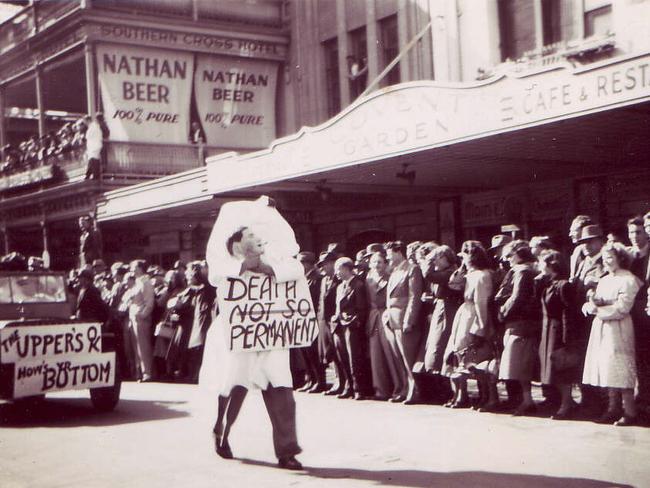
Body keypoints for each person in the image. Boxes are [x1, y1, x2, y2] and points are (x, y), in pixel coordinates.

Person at [200, 196, 304, 470]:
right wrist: (244, 265)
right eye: (251, 231)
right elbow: (216, 275)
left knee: (281, 387)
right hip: (239, 333)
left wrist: (269, 268)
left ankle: (287, 450)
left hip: (272, 331)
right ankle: (221, 432)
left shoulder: (276, 254)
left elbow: (296, 268)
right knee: (234, 385)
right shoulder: (227, 257)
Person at [582, 242, 641, 426]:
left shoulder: (628, 279)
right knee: (607, 367)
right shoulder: (605, 279)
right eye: (605, 258)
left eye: (610, 258)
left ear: (620, 258)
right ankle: (612, 408)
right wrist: (590, 305)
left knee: (621, 366)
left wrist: (599, 310)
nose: (606, 262)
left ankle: (629, 411)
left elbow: (622, 308)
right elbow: (596, 301)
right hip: (603, 328)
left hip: (619, 328)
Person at [441, 241, 494, 409]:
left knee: (477, 358)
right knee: (463, 356)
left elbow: (481, 303)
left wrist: (480, 327)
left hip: (473, 317)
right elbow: (453, 284)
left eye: (464, 256)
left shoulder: (481, 276)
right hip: (464, 315)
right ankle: (474, 396)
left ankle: (488, 397)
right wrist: (462, 267)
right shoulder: (470, 274)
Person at [496, 241, 541, 416]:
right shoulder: (527, 269)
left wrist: (503, 312)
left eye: (509, 256)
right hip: (523, 321)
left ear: (519, 254)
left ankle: (527, 401)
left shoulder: (522, 271)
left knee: (520, 363)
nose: (507, 260)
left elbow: (517, 297)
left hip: (520, 322)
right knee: (521, 362)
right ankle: (526, 400)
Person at [537, 250, 581, 420]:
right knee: (551, 370)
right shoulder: (548, 283)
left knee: (561, 369)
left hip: (557, 331)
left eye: (542, 262)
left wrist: (566, 339)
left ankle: (566, 403)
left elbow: (567, 313)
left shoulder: (563, 285)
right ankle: (564, 401)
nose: (539, 266)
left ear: (551, 265)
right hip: (547, 330)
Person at [383, 241, 423, 404]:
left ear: (399, 252)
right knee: (398, 357)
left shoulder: (412, 269)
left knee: (408, 358)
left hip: (403, 319)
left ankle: (415, 391)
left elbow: (414, 296)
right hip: (392, 319)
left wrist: (409, 320)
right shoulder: (394, 271)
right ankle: (405, 388)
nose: (387, 257)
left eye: (389, 253)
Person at [331, 256, 371, 400]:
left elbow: (361, 309)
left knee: (355, 358)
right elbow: (338, 307)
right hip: (339, 325)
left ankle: (358, 388)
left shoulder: (358, 285)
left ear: (347, 269)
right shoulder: (340, 286)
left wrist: (354, 323)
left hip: (351, 326)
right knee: (343, 358)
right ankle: (349, 386)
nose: (337, 272)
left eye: (339, 269)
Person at [366, 250, 402, 400]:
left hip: (386, 316)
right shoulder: (369, 278)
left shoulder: (390, 277)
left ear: (386, 263)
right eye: (374, 262)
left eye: (380, 262)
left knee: (391, 353)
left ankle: (398, 388)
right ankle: (380, 390)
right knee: (376, 355)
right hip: (373, 317)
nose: (377, 265)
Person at [627, 215, 650, 415]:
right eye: (632, 232)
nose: (635, 236)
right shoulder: (626, 256)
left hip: (646, 311)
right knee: (634, 356)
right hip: (630, 312)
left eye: (639, 232)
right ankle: (639, 399)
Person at [295, 251, 326, 393]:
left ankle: (320, 381)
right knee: (306, 351)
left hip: (312, 318)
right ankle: (311, 379)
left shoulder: (317, 278)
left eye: (301, 263)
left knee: (313, 352)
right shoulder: (303, 278)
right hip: (303, 318)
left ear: (308, 263)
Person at [316, 250, 344, 396]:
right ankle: (337, 382)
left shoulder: (338, 280)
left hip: (335, 320)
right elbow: (321, 302)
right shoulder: (323, 280)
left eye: (326, 264)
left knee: (338, 353)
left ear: (333, 263)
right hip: (324, 321)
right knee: (329, 353)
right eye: (321, 265)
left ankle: (343, 383)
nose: (323, 267)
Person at [128, 259, 155, 382]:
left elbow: (149, 302)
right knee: (137, 346)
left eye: (134, 267)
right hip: (135, 318)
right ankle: (140, 372)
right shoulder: (138, 282)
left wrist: (142, 315)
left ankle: (147, 373)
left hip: (141, 319)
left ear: (140, 268)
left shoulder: (146, 282)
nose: (132, 269)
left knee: (143, 346)